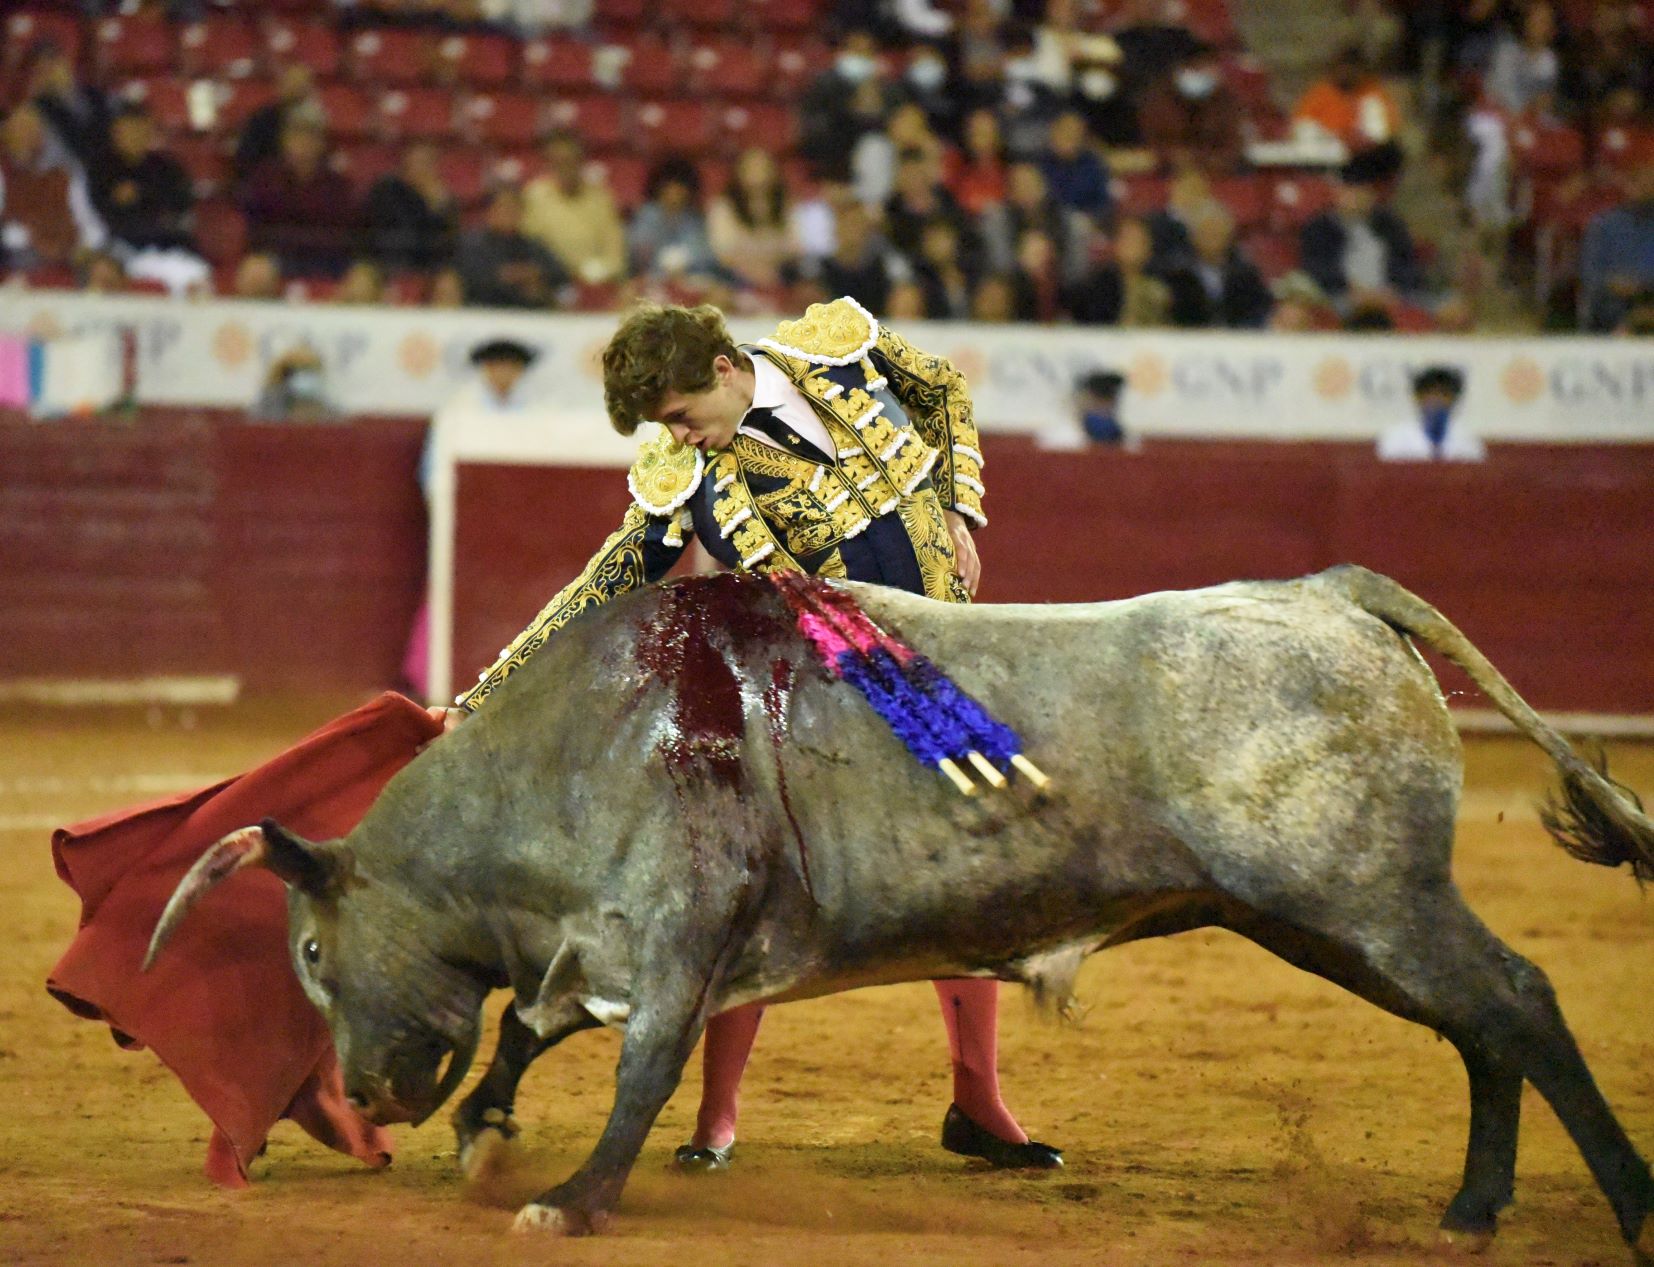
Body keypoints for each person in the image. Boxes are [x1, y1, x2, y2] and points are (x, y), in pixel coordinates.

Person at [440, 298, 1060, 1175]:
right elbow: (609, 577)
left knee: (972, 875)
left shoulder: (831, 349)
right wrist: (491, 688)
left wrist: (960, 507)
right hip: (810, 704)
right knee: (752, 891)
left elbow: (941, 387)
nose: (678, 436)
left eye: (681, 414)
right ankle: (716, 1120)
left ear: (725, 370)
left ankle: (978, 1099)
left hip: (931, 673)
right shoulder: (685, 475)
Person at [1299, 143, 1425, 314]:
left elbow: (1407, 266)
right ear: (1338, 193)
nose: (1356, 198)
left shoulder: (1390, 225)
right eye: (1350, 192)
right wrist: (1351, 289)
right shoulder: (1320, 228)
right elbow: (1317, 270)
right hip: (1341, 298)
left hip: (1389, 297)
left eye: (1362, 192)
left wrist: (1392, 290)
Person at [240, 111, 357, 278]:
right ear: (284, 141)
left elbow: (343, 232)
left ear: (321, 143)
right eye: (296, 136)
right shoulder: (266, 179)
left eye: (310, 137)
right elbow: (255, 225)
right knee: (257, 271)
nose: (303, 144)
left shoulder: (337, 185)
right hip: (277, 256)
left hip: (328, 260)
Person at [0, 102, 106, 273]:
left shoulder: (65, 173)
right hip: (17, 259)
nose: (27, 136)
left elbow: (88, 219)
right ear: (6, 135)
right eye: (20, 130)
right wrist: (26, 237)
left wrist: (85, 244)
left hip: (68, 256)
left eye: (32, 130)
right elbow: (7, 229)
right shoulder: (3, 173)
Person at [520, 130, 626, 286]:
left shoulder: (601, 198)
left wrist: (602, 273)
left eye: (570, 160)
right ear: (548, 163)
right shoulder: (534, 196)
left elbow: (615, 253)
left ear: (581, 162)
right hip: (549, 281)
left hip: (595, 281)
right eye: (557, 161)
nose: (565, 167)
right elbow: (526, 245)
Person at [455, 184, 570, 309]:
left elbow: (560, 274)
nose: (510, 213)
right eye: (504, 207)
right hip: (482, 311)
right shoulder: (471, 244)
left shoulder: (532, 245)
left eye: (515, 208)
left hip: (529, 313)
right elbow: (470, 277)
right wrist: (507, 277)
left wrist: (535, 275)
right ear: (489, 211)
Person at [707, 147, 801, 290]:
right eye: (751, 169)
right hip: (736, 277)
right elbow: (723, 253)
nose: (757, 175)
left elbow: (795, 247)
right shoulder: (723, 208)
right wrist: (752, 269)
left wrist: (769, 267)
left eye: (763, 168)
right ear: (739, 173)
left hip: (779, 273)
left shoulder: (787, 206)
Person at [1578, 156, 1654, 332]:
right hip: (1616, 300)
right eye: (1639, 182)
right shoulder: (1604, 225)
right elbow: (1589, 274)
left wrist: (1644, 284)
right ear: (1628, 185)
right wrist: (1613, 283)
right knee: (1606, 303)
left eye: (1651, 183)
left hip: (1650, 295)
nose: (1646, 189)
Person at [363, 141, 459, 276]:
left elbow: (447, 237)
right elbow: (402, 227)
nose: (423, 168)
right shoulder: (388, 188)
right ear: (406, 162)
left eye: (428, 163)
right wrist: (428, 203)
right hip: (391, 258)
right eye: (419, 161)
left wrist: (438, 205)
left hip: (428, 263)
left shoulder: (438, 195)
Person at [1292, 46, 1402, 152]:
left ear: (1362, 71)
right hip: (1328, 150)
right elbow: (1302, 126)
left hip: (1365, 152)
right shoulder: (1321, 93)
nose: (1347, 73)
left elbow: (1382, 131)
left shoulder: (1372, 92)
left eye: (1353, 68)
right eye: (1343, 68)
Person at [1377, 366, 1486, 462]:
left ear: (1454, 399)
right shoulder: (1396, 438)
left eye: (1444, 394)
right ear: (1417, 398)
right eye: (1430, 393)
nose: (1436, 399)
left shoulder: (1468, 441)